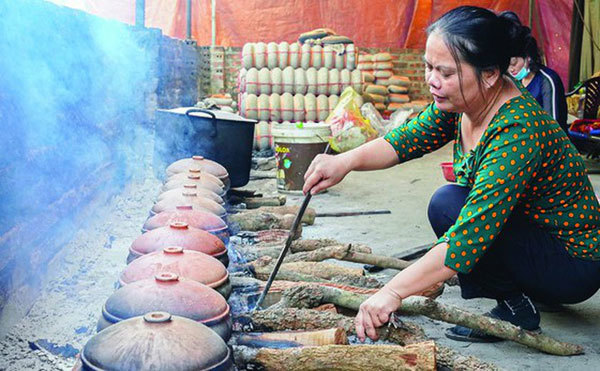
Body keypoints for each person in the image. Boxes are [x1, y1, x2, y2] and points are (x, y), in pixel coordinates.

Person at [303, 6, 600, 343]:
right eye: (429, 67)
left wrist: (391, 292)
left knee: (451, 206)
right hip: (533, 239)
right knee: (449, 203)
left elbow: (470, 235)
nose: (432, 80)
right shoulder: (467, 101)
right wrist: (344, 162)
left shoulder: (517, 131)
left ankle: (517, 309)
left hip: (573, 262)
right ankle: (518, 289)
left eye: (444, 72)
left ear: (489, 74)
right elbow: (406, 139)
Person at [503, 11, 569, 133]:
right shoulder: (513, 82)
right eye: (507, 66)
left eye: (513, 63)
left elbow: (554, 128)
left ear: (528, 57)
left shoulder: (547, 81)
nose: (511, 69)